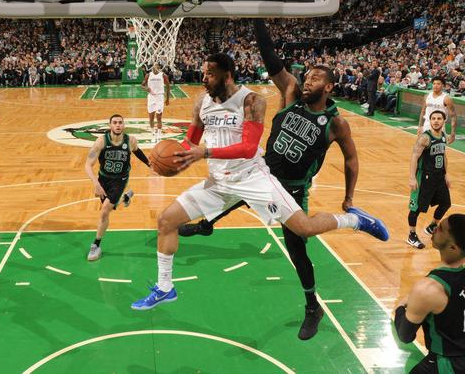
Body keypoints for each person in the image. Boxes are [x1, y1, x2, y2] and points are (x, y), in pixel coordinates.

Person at [130, 52, 389, 312]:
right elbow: (190, 143)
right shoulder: (202, 103)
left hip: (253, 178)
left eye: (210, 74)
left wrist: (205, 152)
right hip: (218, 183)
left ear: (227, 76)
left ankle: (355, 220)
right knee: (166, 221)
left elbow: (248, 148)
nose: (203, 78)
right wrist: (171, 159)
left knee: (305, 228)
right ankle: (165, 288)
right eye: (204, 73)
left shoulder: (252, 101)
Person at [178, 18, 359, 340]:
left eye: (315, 78)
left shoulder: (336, 123)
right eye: (307, 76)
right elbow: (271, 58)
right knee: (233, 192)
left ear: (330, 87)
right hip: (261, 174)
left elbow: (351, 159)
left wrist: (348, 197)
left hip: (293, 189)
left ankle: (313, 307)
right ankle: (206, 224)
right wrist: (257, 16)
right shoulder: (290, 93)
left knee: (297, 250)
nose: (307, 80)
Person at [394, 214, 465, 373]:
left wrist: (399, 307)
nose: (434, 228)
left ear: (453, 247)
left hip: (449, 365)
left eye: (440, 229)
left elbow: (405, 336)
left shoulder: (429, 289)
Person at [84, 114, 151, 261]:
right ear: (110, 125)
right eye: (114, 122)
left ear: (124, 125)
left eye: (120, 122)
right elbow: (88, 165)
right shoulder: (101, 141)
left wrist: (149, 164)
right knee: (107, 210)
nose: (118, 125)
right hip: (103, 179)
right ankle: (125, 197)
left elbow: (137, 151)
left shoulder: (130, 140)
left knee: (104, 211)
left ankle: (96, 245)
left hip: (120, 180)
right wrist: (96, 184)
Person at [407, 110, 452, 249]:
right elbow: (414, 156)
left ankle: (432, 226)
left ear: (444, 120)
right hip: (424, 177)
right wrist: (412, 177)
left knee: (446, 203)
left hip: (439, 177)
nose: (436, 121)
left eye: (439, 118)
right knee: (417, 208)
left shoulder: (443, 136)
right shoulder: (425, 138)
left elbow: (443, 155)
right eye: (433, 118)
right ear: (430, 121)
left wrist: (446, 174)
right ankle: (411, 235)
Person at [417, 77, 457, 144]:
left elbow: (453, 116)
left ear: (443, 86)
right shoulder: (427, 96)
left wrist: (453, 133)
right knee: (423, 146)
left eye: (438, 84)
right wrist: (419, 126)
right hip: (427, 124)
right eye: (434, 83)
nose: (435, 86)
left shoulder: (446, 99)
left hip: (439, 126)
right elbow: (423, 112)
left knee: (437, 147)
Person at [141, 63, 171, 143]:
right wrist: (146, 88)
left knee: (159, 117)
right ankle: (153, 134)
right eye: (154, 65)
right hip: (151, 97)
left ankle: (159, 135)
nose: (155, 66)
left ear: (159, 67)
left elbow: (168, 87)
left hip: (159, 97)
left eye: (157, 65)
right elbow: (142, 85)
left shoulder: (163, 75)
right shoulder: (148, 75)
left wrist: (167, 99)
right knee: (151, 117)